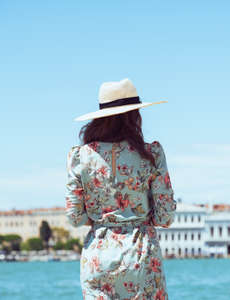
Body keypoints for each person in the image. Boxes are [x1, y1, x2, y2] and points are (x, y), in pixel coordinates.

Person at [65, 78, 176, 299]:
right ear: (134, 115)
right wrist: (138, 216)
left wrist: (104, 218)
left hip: (97, 255)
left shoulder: (80, 157)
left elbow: (75, 217)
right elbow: (165, 217)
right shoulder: (151, 154)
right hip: (141, 254)